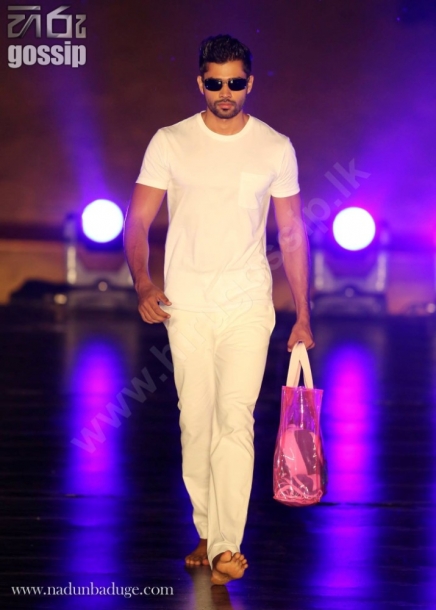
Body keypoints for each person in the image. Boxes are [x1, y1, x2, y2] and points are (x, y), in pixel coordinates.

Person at [124, 33, 314, 586]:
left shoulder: (275, 146)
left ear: (249, 83)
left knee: (234, 418)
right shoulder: (171, 141)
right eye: (215, 82)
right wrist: (143, 282)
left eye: (234, 82)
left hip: (248, 304)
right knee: (195, 421)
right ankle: (207, 530)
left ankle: (228, 544)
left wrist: (303, 313)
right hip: (186, 305)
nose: (225, 91)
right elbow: (137, 221)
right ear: (200, 82)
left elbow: (293, 234)